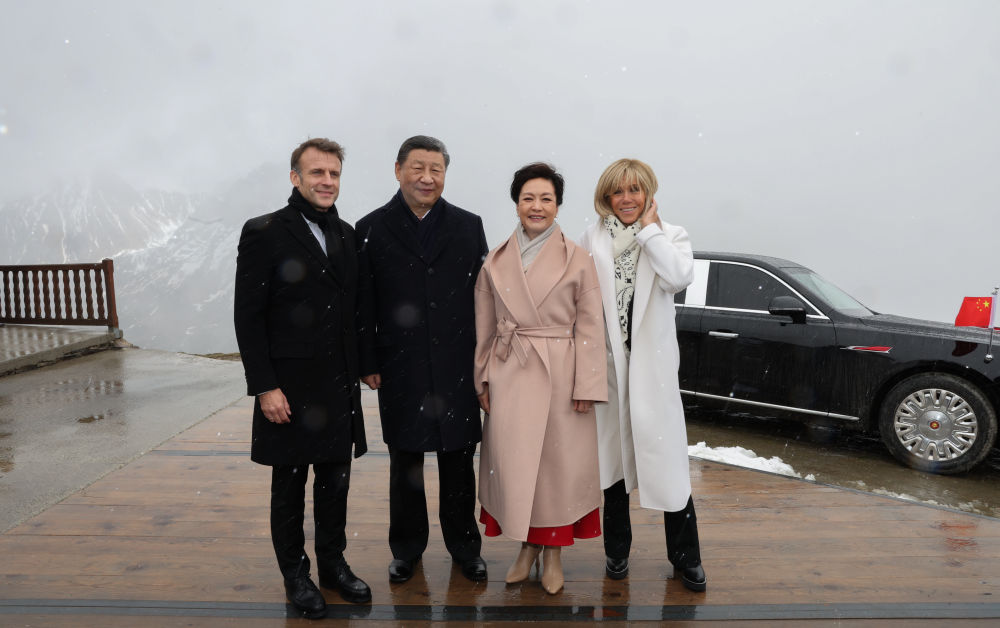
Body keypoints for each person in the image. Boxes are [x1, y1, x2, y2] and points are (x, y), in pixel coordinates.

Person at [234, 138, 371, 619]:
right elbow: (248, 316)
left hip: (337, 384)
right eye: (317, 173)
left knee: (336, 484)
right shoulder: (264, 231)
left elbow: (353, 310)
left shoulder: (347, 234)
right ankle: (295, 575)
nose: (327, 182)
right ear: (295, 177)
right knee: (289, 488)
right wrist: (264, 386)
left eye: (334, 174)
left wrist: (366, 365)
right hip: (288, 388)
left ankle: (333, 565)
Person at [355, 135, 489, 584]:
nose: (427, 178)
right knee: (405, 461)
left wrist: (485, 362)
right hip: (401, 365)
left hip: (457, 363)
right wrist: (368, 360)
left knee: (459, 460)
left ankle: (465, 547)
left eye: (437, 169)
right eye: (418, 168)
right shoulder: (370, 228)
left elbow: (484, 300)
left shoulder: (468, 226)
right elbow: (363, 303)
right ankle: (407, 549)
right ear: (398, 171)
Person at [474, 162, 607, 594]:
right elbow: (485, 323)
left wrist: (588, 384)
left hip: (561, 375)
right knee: (516, 466)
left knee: (556, 470)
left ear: (558, 205)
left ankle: (553, 554)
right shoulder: (496, 259)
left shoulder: (578, 259)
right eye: (528, 198)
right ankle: (527, 547)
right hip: (510, 371)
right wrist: (483, 377)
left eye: (546, 199)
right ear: (516, 204)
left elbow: (591, 326)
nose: (537, 206)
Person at [579, 158, 707, 592]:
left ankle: (686, 558)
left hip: (653, 371)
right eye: (618, 191)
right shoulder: (592, 238)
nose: (627, 198)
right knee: (613, 466)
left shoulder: (671, 234)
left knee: (668, 465)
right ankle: (617, 551)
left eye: (635, 189)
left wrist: (650, 233)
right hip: (610, 370)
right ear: (607, 196)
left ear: (648, 193)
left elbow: (678, 277)